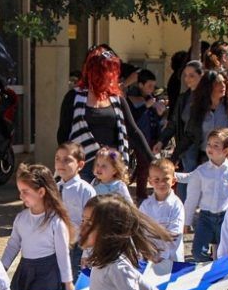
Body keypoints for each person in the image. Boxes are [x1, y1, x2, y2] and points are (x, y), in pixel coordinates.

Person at [56, 47, 151, 183]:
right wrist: (66, 162)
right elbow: (63, 134)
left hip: (112, 166)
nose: (112, 76)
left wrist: (152, 159)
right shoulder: (74, 97)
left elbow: (133, 131)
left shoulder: (117, 99)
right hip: (83, 166)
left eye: (113, 71)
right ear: (94, 73)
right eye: (108, 71)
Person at [184, 129, 228, 264]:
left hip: (226, 218)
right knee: (197, 253)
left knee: (225, 253)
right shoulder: (201, 171)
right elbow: (192, 198)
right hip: (205, 218)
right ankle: (209, 266)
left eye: (216, 145)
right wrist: (187, 221)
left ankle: (220, 271)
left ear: (226, 150)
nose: (210, 148)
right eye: (209, 144)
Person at [157, 59, 204, 198]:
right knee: (184, 177)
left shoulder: (208, 98)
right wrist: (161, 141)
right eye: (186, 75)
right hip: (186, 145)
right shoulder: (184, 98)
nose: (187, 79)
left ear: (201, 76)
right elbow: (174, 123)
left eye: (192, 75)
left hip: (203, 145)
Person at [187, 70, 228, 164]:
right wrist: (175, 158)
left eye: (224, 82)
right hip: (204, 159)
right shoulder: (197, 108)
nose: (223, 86)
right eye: (218, 83)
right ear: (208, 86)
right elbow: (189, 136)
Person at [55, 142, 97, 282]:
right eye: (57, 159)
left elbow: (92, 223)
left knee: (74, 278)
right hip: (56, 243)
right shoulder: (55, 188)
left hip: (77, 244)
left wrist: (87, 251)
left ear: (80, 165)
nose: (61, 163)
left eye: (67, 160)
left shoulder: (86, 190)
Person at [126, 69, 165, 201]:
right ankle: (141, 194)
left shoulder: (151, 98)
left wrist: (160, 113)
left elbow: (155, 118)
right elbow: (132, 118)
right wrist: (146, 106)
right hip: (139, 137)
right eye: (149, 86)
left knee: (147, 165)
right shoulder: (131, 98)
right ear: (140, 85)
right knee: (144, 165)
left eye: (153, 86)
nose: (152, 89)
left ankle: (143, 192)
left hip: (152, 135)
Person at [139, 158, 185, 266]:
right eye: (156, 180)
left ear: (173, 181)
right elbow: (140, 230)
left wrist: (162, 257)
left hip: (171, 259)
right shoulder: (145, 205)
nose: (161, 183)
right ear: (150, 181)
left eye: (166, 179)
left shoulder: (176, 205)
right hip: (150, 257)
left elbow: (175, 234)